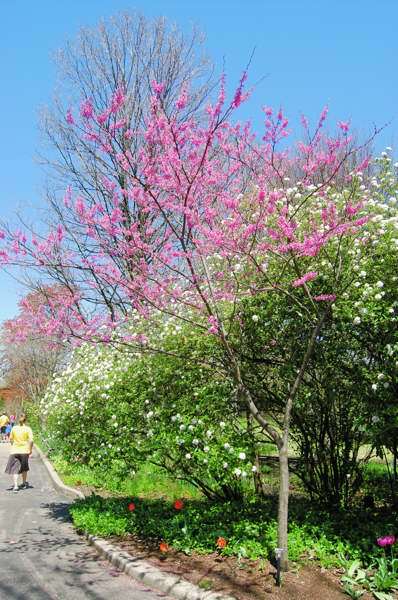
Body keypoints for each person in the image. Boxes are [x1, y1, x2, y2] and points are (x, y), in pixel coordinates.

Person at [5, 413, 33, 492]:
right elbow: (31, 441)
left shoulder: (14, 428)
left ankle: (16, 486)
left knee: (15, 469)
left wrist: (13, 445)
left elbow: (10, 439)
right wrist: (30, 449)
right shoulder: (28, 429)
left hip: (15, 451)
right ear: (26, 420)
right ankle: (24, 483)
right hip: (24, 451)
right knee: (24, 468)